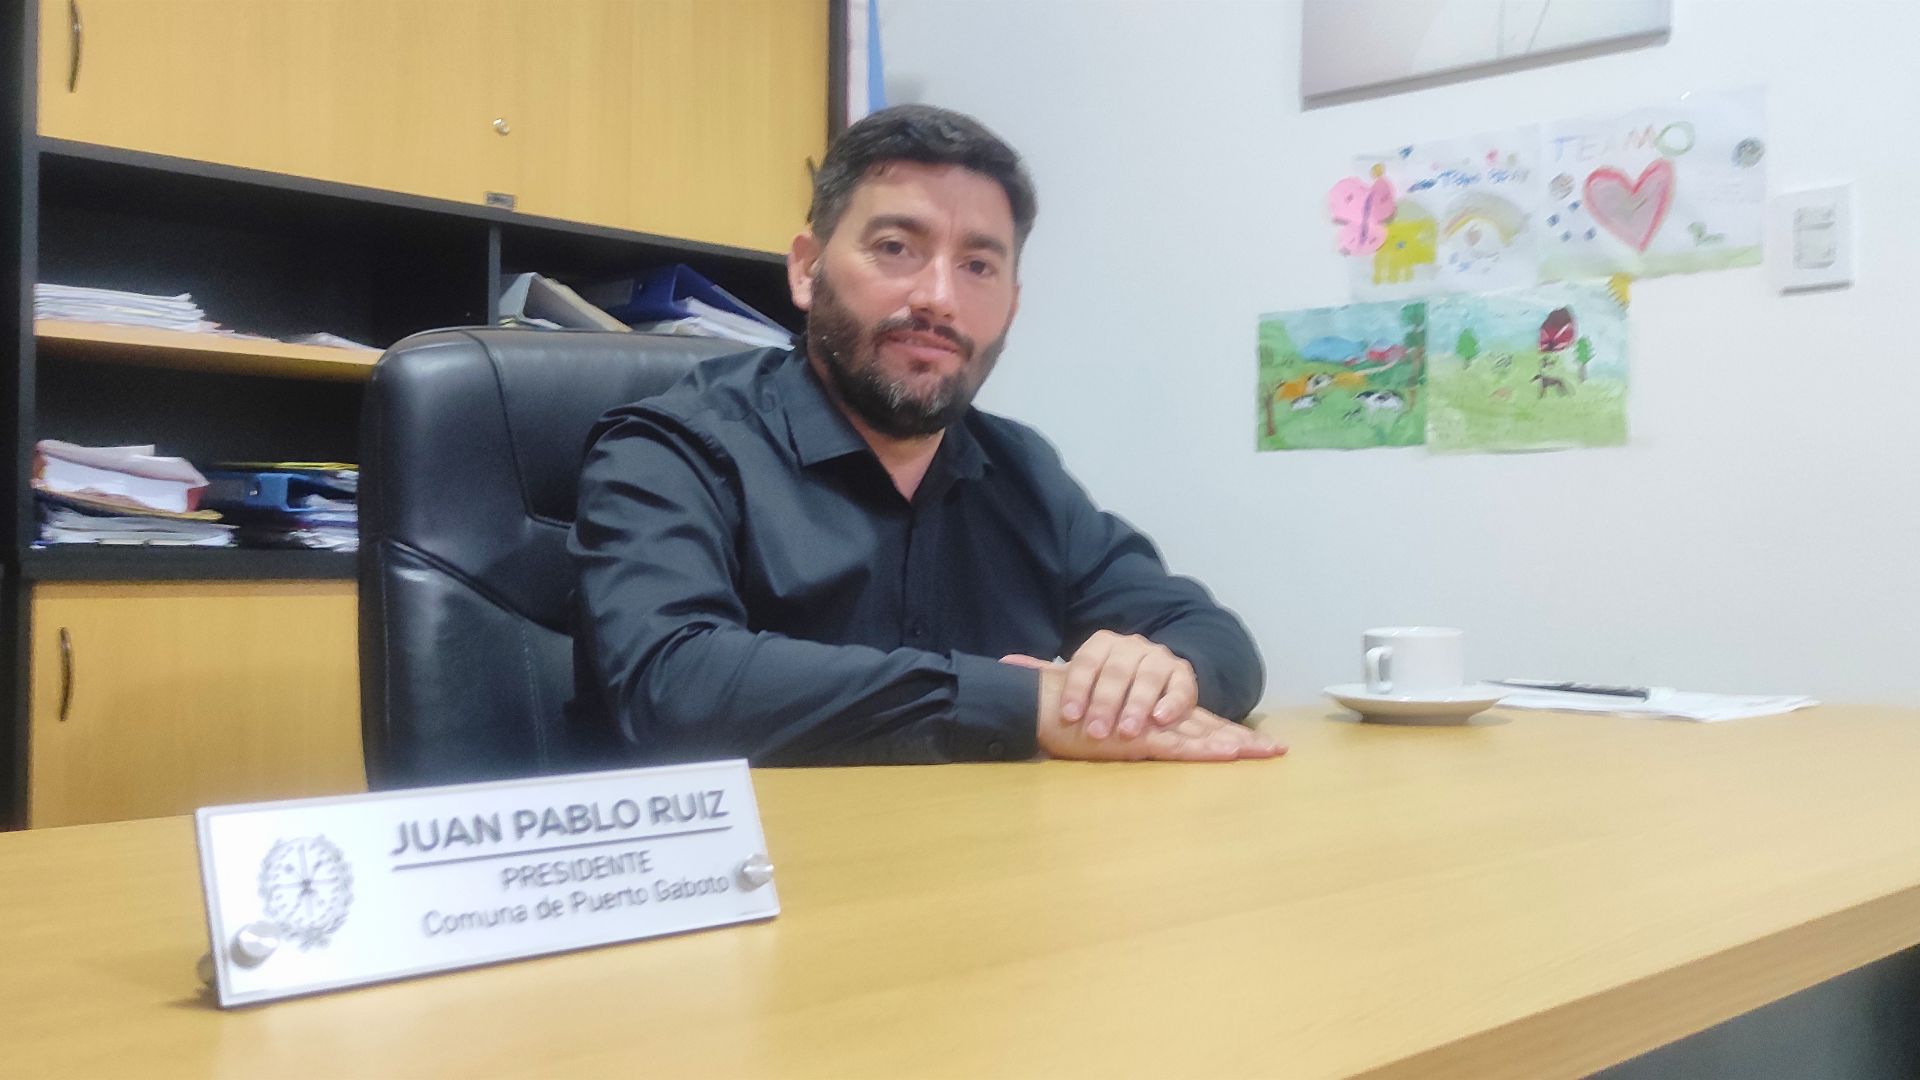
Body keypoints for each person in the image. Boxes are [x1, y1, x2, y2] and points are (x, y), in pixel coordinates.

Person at [568, 104, 1280, 766]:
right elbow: (673, 685)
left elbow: (1215, 639)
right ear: (807, 269)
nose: (939, 297)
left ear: (1011, 306)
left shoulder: (1023, 474)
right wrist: (1021, 703)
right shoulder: (672, 449)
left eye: (978, 266)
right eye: (896, 247)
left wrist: (1157, 676)